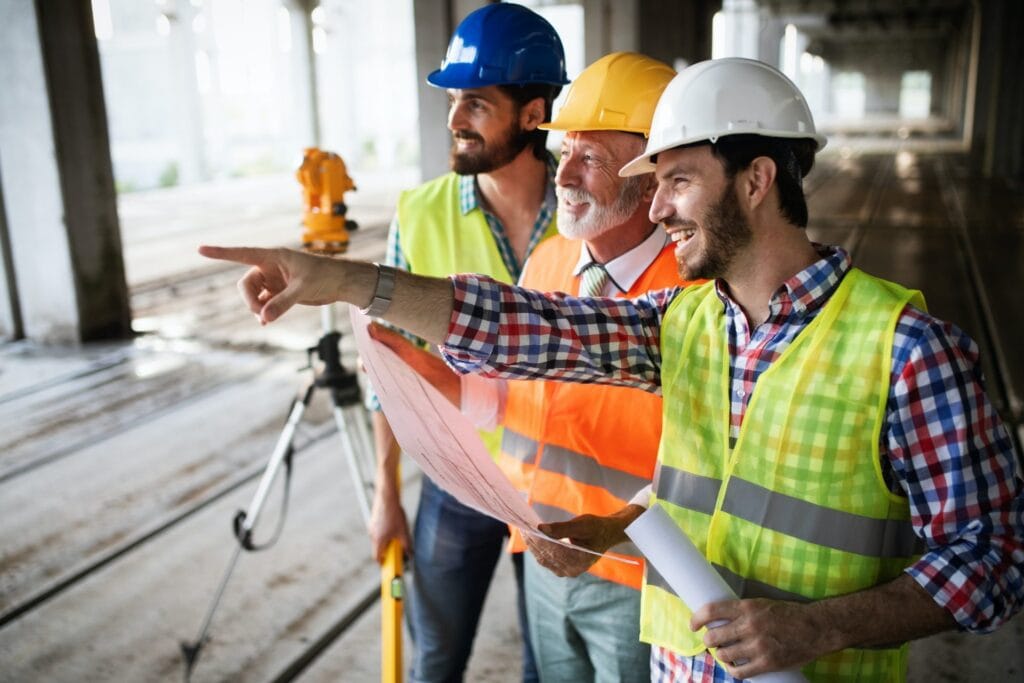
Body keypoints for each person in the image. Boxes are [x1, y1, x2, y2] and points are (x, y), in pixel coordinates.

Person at [200, 58, 1024, 683]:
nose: (658, 208)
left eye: (676, 182)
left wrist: (822, 626)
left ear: (758, 179)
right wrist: (346, 282)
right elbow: (528, 329)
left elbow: (994, 559)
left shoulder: (907, 348)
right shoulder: (687, 322)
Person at [376, 52, 686, 682]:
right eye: (563, 149)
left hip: (636, 572)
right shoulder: (548, 260)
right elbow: (504, 403)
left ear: (654, 178)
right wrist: (418, 367)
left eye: (589, 158)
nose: (563, 173)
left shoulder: (694, 291)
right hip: (544, 555)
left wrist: (613, 534)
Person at [362, 4, 566, 682]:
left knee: (548, 663)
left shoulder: (590, 213)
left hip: (555, 488)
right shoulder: (418, 215)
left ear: (534, 113)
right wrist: (386, 491)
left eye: (475, 102)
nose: (454, 119)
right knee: (435, 657)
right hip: (457, 480)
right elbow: (388, 364)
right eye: (452, 100)